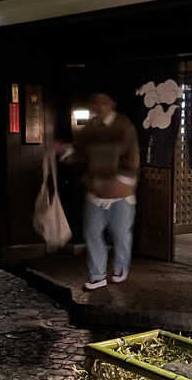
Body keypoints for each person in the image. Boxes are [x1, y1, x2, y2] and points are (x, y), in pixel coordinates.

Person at [54, 92, 140, 291]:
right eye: (95, 103)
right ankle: (97, 275)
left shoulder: (124, 125)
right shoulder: (91, 127)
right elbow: (80, 151)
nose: (98, 106)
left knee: (120, 234)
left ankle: (120, 268)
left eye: (103, 102)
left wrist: (98, 166)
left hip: (120, 191)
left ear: (111, 103)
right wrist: (65, 151)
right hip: (96, 190)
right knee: (92, 233)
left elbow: (124, 154)